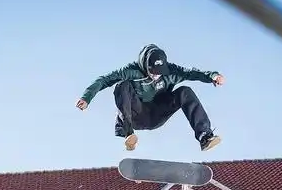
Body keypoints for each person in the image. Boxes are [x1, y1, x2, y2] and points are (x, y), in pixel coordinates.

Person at [76, 44, 225, 152]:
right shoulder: (131, 70)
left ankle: (205, 136)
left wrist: (212, 76)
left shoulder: (171, 71)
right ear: (145, 66)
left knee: (185, 91)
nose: (155, 76)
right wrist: (86, 98)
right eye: (152, 72)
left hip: (158, 113)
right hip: (136, 115)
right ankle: (128, 135)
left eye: (159, 73)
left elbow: (191, 73)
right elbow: (104, 79)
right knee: (122, 85)